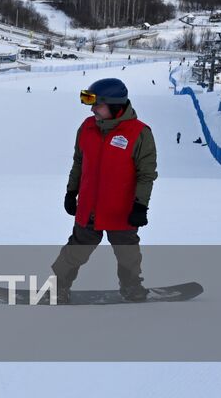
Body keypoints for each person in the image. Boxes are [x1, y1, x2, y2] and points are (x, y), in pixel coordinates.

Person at [52, 78, 156, 304]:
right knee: (75, 250)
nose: (92, 110)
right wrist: (72, 192)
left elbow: (146, 175)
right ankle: (59, 287)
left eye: (97, 104)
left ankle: (131, 286)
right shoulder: (87, 127)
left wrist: (140, 205)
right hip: (89, 207)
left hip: (121, 210)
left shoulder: (139, 133)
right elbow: (79, 162)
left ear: (115, 106)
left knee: (128, 254)